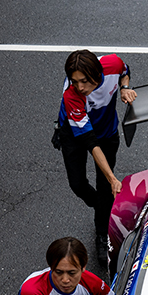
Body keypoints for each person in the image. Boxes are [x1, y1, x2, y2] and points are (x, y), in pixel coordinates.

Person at [58, 49, 136, 258]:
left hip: (107, 132)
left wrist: (125, 88)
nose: (80, 87)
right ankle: (101, 206)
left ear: (97, 72)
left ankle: (103, 234)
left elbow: (125, 71)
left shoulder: (113, 64)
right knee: (78, 185)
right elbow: (90, 143)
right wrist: (113, 178)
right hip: (76, 133)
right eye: (74, 81)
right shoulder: (72, 95)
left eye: (83, 81)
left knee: (104, 186)